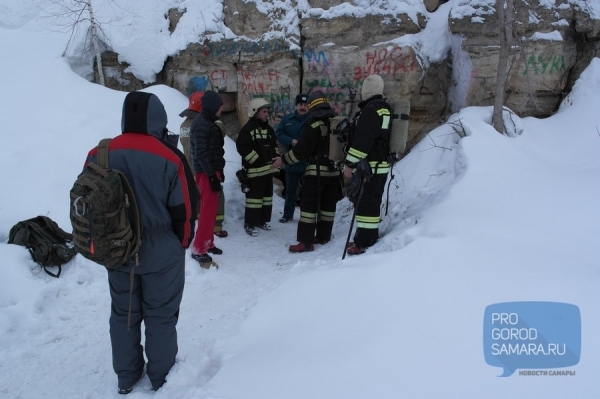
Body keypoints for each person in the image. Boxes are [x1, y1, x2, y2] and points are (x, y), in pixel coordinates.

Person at [83, 91, 199, 394]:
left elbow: (89, 201)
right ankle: (161, 377)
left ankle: (126, 376)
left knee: (124, 313)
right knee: (160, 314)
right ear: (158, 118)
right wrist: (180, 245)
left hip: (118, 247)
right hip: (161, 248)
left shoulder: (99, 152)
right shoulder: (169, 156)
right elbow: (185, 210)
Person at [272, 91, 342, 253]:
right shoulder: (336, 122)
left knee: (308, 208)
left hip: (316, 174)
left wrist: (282, 160)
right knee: (327, 206)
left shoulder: (313, 125)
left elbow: (301, 151)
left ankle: (306, 241)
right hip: (334, 173)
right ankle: (324, 236)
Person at [343, 74, 392, 255]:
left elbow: (363, 141)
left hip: (370, 167)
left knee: (366, 205)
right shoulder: (384, 108)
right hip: (379, 165)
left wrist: (349, 164)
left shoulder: (371, 110)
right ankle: (365, 238)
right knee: (371, 202)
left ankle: (364, 242)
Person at [179, 92, 228, 239]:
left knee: (197, 199)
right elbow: (204, 150)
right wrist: (212, 174)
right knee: (213, 201)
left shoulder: (184, 125)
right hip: (205, 168)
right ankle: (215, 228)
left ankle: (204, 233)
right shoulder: (206, 124)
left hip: (190, 166)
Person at [189, 90, 226, 263]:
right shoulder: (201, 124)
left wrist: (219, 172)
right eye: (220, 105)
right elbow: (201, 153)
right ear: (212, 106)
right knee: (206, 211)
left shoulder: (208, 122)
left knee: (211, 211)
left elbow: (213, 151)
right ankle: (199, 248)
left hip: (211, 171)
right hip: (205, 173)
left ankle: (208, 242)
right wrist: (211, 175)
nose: (222, 108)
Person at [236, 98, 280, 236]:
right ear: (255, 112)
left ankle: (262, 221)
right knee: (254, 200)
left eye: (267, 111)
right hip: (255, 172)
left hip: (268, 171)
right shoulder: (247, 130)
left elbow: (274, 147)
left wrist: (276, 160)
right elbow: (242, 147)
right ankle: (250, 224)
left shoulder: (269, 130)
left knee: (267, 199)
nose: (267, 114)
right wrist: (258, 161)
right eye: (264, 112)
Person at [275, 93, 309, 223]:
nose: (303, 107)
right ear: (297, 105)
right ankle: (287, 215)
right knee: (290, 191)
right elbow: (279, 133)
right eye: (301, 104)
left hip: (307, 163)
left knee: (307, 192)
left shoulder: (312, 120)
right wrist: (291, 141)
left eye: (305, 105)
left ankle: (307, 217)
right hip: (291, 163)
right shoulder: (287, 119)